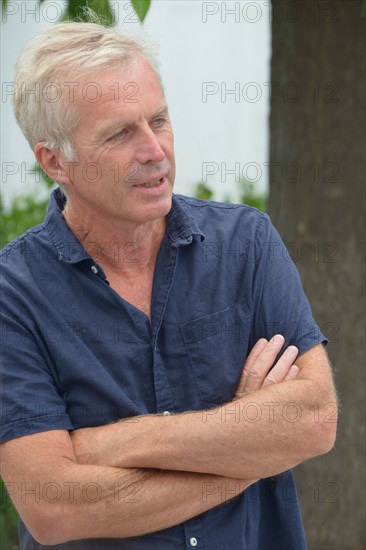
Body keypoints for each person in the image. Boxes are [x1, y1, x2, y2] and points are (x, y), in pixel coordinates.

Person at [0, 20, 337, 550]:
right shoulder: (13, 294)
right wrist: (249, 450)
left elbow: (314, 421)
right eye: (120, 134)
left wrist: (118, 442)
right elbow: (55, 507)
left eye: (159, 120)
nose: (155, 150)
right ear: (54, 161)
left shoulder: (246, 243)